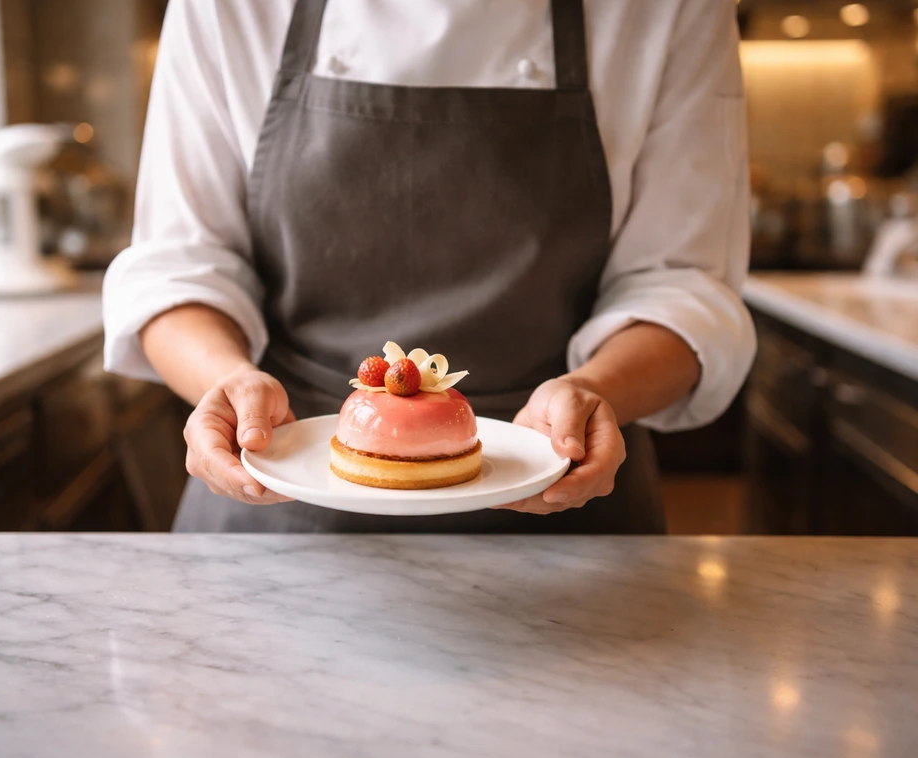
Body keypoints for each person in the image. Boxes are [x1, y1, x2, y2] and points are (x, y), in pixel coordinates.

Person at [103, 0, 755, 533]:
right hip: (278, 497)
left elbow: (684, 284)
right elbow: (179, 265)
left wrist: (596, 394)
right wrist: (228, 381)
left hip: (562, 501)